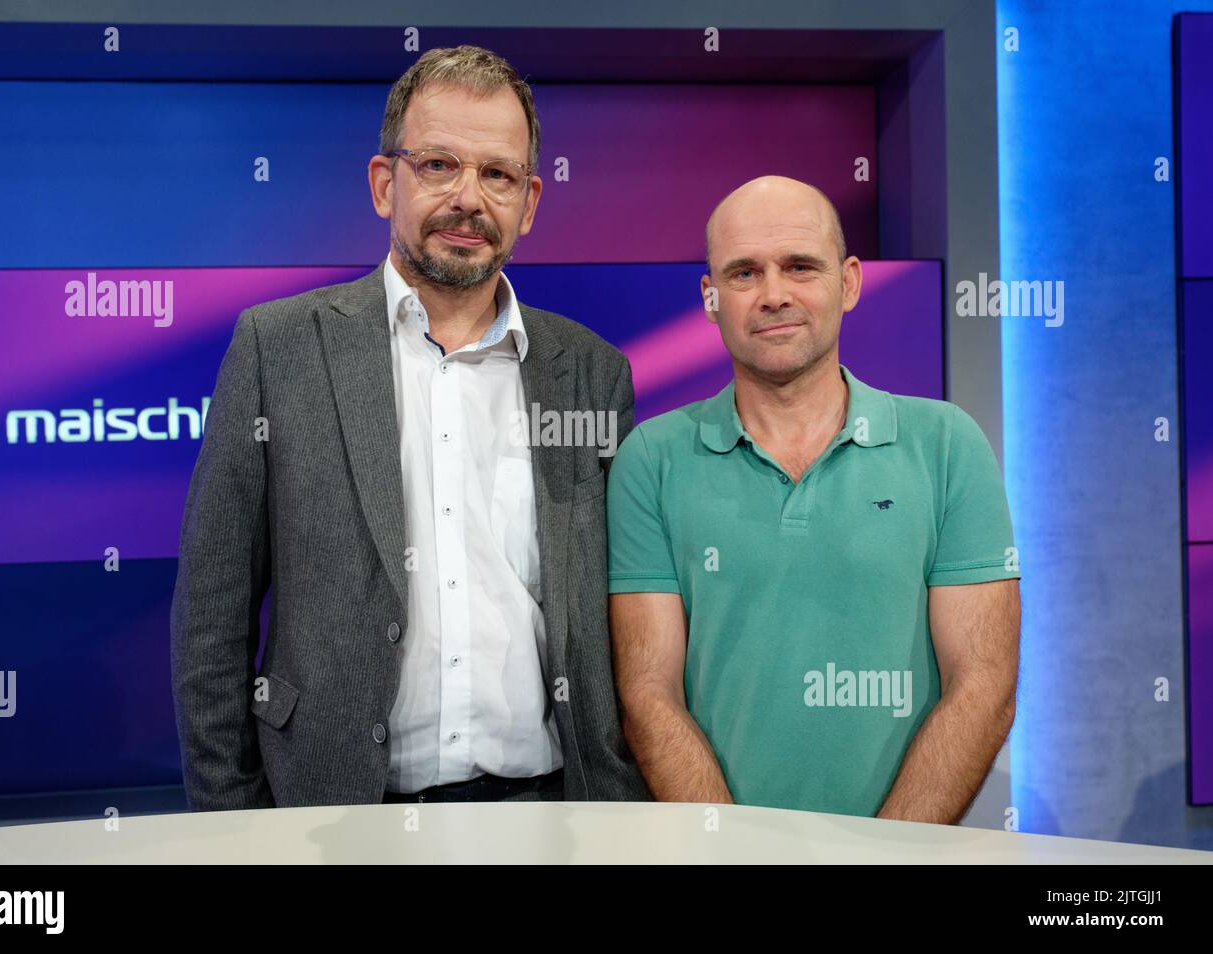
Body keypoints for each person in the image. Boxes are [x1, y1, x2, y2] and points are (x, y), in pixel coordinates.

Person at [171, 45, 648, 808]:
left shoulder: (592, 372)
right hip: (332, 815)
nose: (469, 198)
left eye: (497, 175)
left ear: (529, 202)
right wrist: (231, 822)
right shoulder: (278, 348)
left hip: (553, 812)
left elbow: (620, 619)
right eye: (437, 165)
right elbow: (212, 612)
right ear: (384, 184)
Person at [606, 175, 1020, 822]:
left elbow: (984, 686)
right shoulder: (650, 459)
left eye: (800, 266)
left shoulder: (947, 445)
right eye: (744, 274)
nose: (774, 295)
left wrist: (887, 862)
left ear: (849, 282)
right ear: (710, 298)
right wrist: (733, 857)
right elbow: (647, 692)